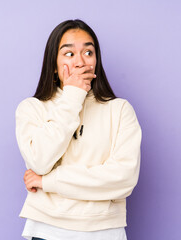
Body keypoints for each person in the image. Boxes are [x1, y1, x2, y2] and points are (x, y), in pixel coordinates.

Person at [15, 19, 142, 240]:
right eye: (69, 54)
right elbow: (39, 161)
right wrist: (72, 96)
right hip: (46, 230)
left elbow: (124, 178)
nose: (80, 61)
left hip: (104, 232)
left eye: (88, 52)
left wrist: (48, 182)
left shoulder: (120, 110)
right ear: (53, 65)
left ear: (96, 61)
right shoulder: (31, 108)